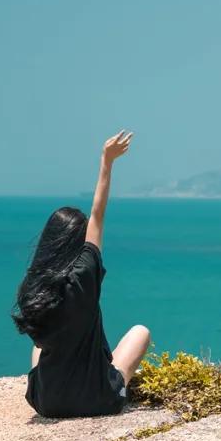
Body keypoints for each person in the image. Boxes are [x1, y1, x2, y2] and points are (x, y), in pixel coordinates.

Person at [12, 130, 151, 417]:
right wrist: (106, 161)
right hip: (96, 399)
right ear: (78, 242)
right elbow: (98, 216)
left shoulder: (34, 289)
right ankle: (101, 373)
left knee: (40, 350)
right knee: (140, 332)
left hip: (47, 402)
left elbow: (39, 342)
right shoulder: (83, 276)